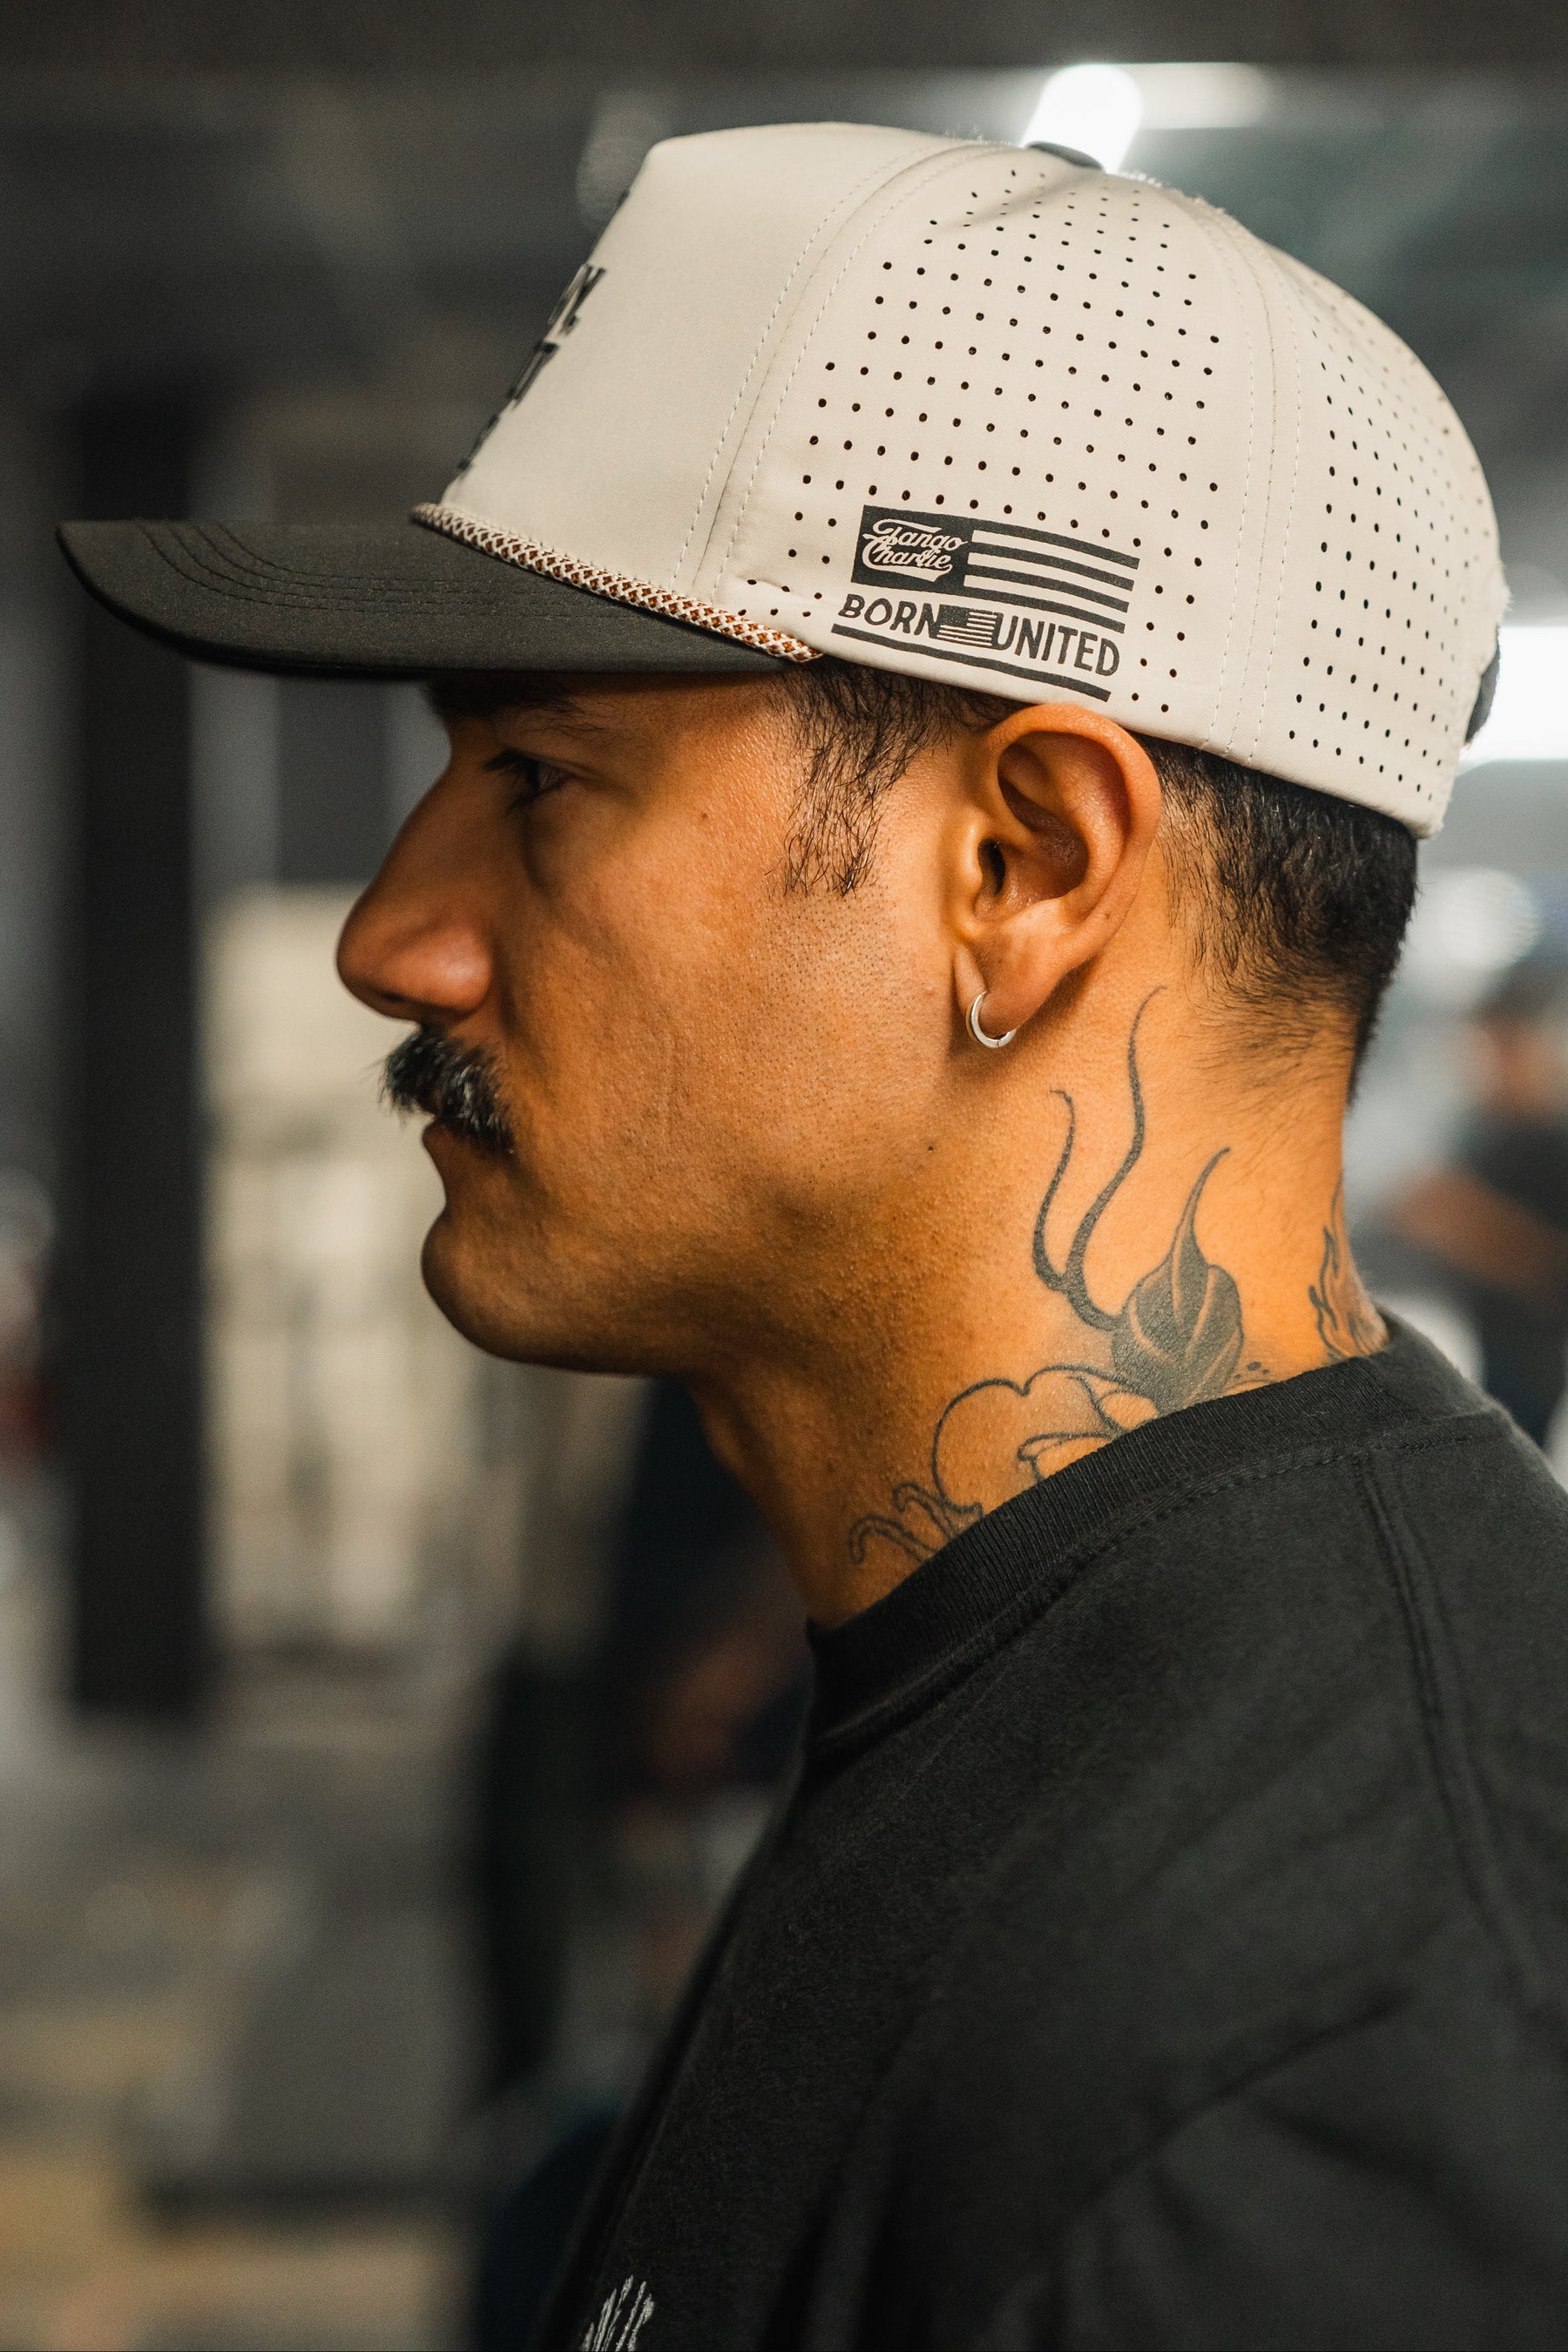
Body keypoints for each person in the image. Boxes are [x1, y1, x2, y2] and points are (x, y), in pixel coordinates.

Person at [60, 124, 1568, 2350]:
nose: (396, 940)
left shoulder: (1298, 2100)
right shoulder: (1024, 1697)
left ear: (1025, 866)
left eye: (545, 778)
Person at [1393, 960, 1568, 1444]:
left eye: (1501, 1046)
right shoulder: (1484, 1129)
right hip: (1481, 1327)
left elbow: (1550, 1267)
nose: (1487, 1061)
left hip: (1532, 1349)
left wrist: (1462, 1221)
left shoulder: (1552, 1139)